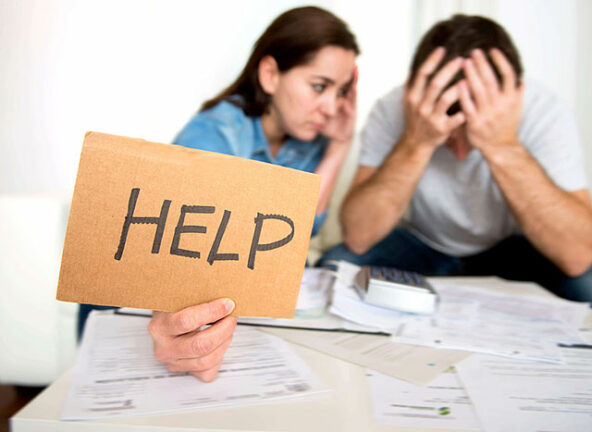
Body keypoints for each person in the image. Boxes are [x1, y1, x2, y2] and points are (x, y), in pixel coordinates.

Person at [145, 6, 359, 382]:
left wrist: (340, 145)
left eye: (341, 91)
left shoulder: (308, 142)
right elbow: (176, 261)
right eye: (320, 86)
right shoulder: (215, 134)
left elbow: (294, 235)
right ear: (270, 74)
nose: (331, 107)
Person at [318, 14, 592, 302]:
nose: (460, 153)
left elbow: (579, 254)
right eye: (449, 137)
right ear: (414, 94)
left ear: (516, 96)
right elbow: (358, 236)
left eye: (473, 135)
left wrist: (501, 146)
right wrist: (417, 141)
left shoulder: (543, 111)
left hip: (513, 248)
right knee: (339, 264)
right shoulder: (393, 108)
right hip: (424, 246)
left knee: (587, 282)